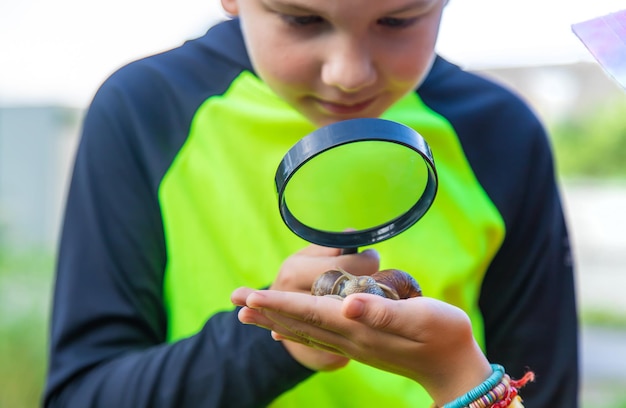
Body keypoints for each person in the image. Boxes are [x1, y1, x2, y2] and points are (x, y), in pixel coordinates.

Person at [43, 0, 579, 406]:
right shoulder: (144, 110)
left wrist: (458, 374)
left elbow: (546, 389)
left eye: (397, 20)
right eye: (302, 19)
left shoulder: (503, 134)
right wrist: (279, 342)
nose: (348, 74)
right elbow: (82, 392)